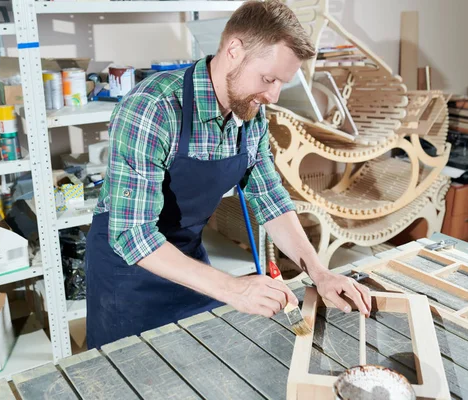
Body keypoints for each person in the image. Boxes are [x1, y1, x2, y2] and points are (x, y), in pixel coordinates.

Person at [85, 0, 371, 349]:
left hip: (190, 262)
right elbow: (132, 235)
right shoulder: (154, 107)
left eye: (282, 82)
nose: (273, 95)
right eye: (268, 79)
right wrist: (233, 287)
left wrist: (319, 272)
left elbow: (270, 200)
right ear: (234, 50)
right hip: (128, 277)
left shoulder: (250, 113)